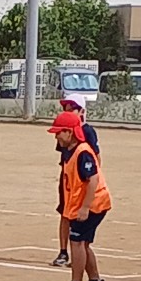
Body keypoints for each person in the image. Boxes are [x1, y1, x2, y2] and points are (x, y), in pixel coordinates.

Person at [48, 111, 112, 281]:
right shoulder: (71, 150)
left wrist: (85, 207)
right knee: (83, 243)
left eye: (59, 132)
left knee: (76, 243)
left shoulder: (83, 152)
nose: (56, 137)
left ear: (70, 132)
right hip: (86, 204)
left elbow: (93, 180)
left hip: (93, 205)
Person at [53, 93, 100, 268]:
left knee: (80, 222)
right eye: (66, 108)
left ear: (82, 111)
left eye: (72, 108)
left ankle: (79, 254)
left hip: (83, 180)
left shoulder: (87, 131)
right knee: (65, 213)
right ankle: (63, 251)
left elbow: (95, 158)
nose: (68, 111)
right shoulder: (64, 130)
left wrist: (93, 176)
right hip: (68, 180)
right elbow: (65, 156)